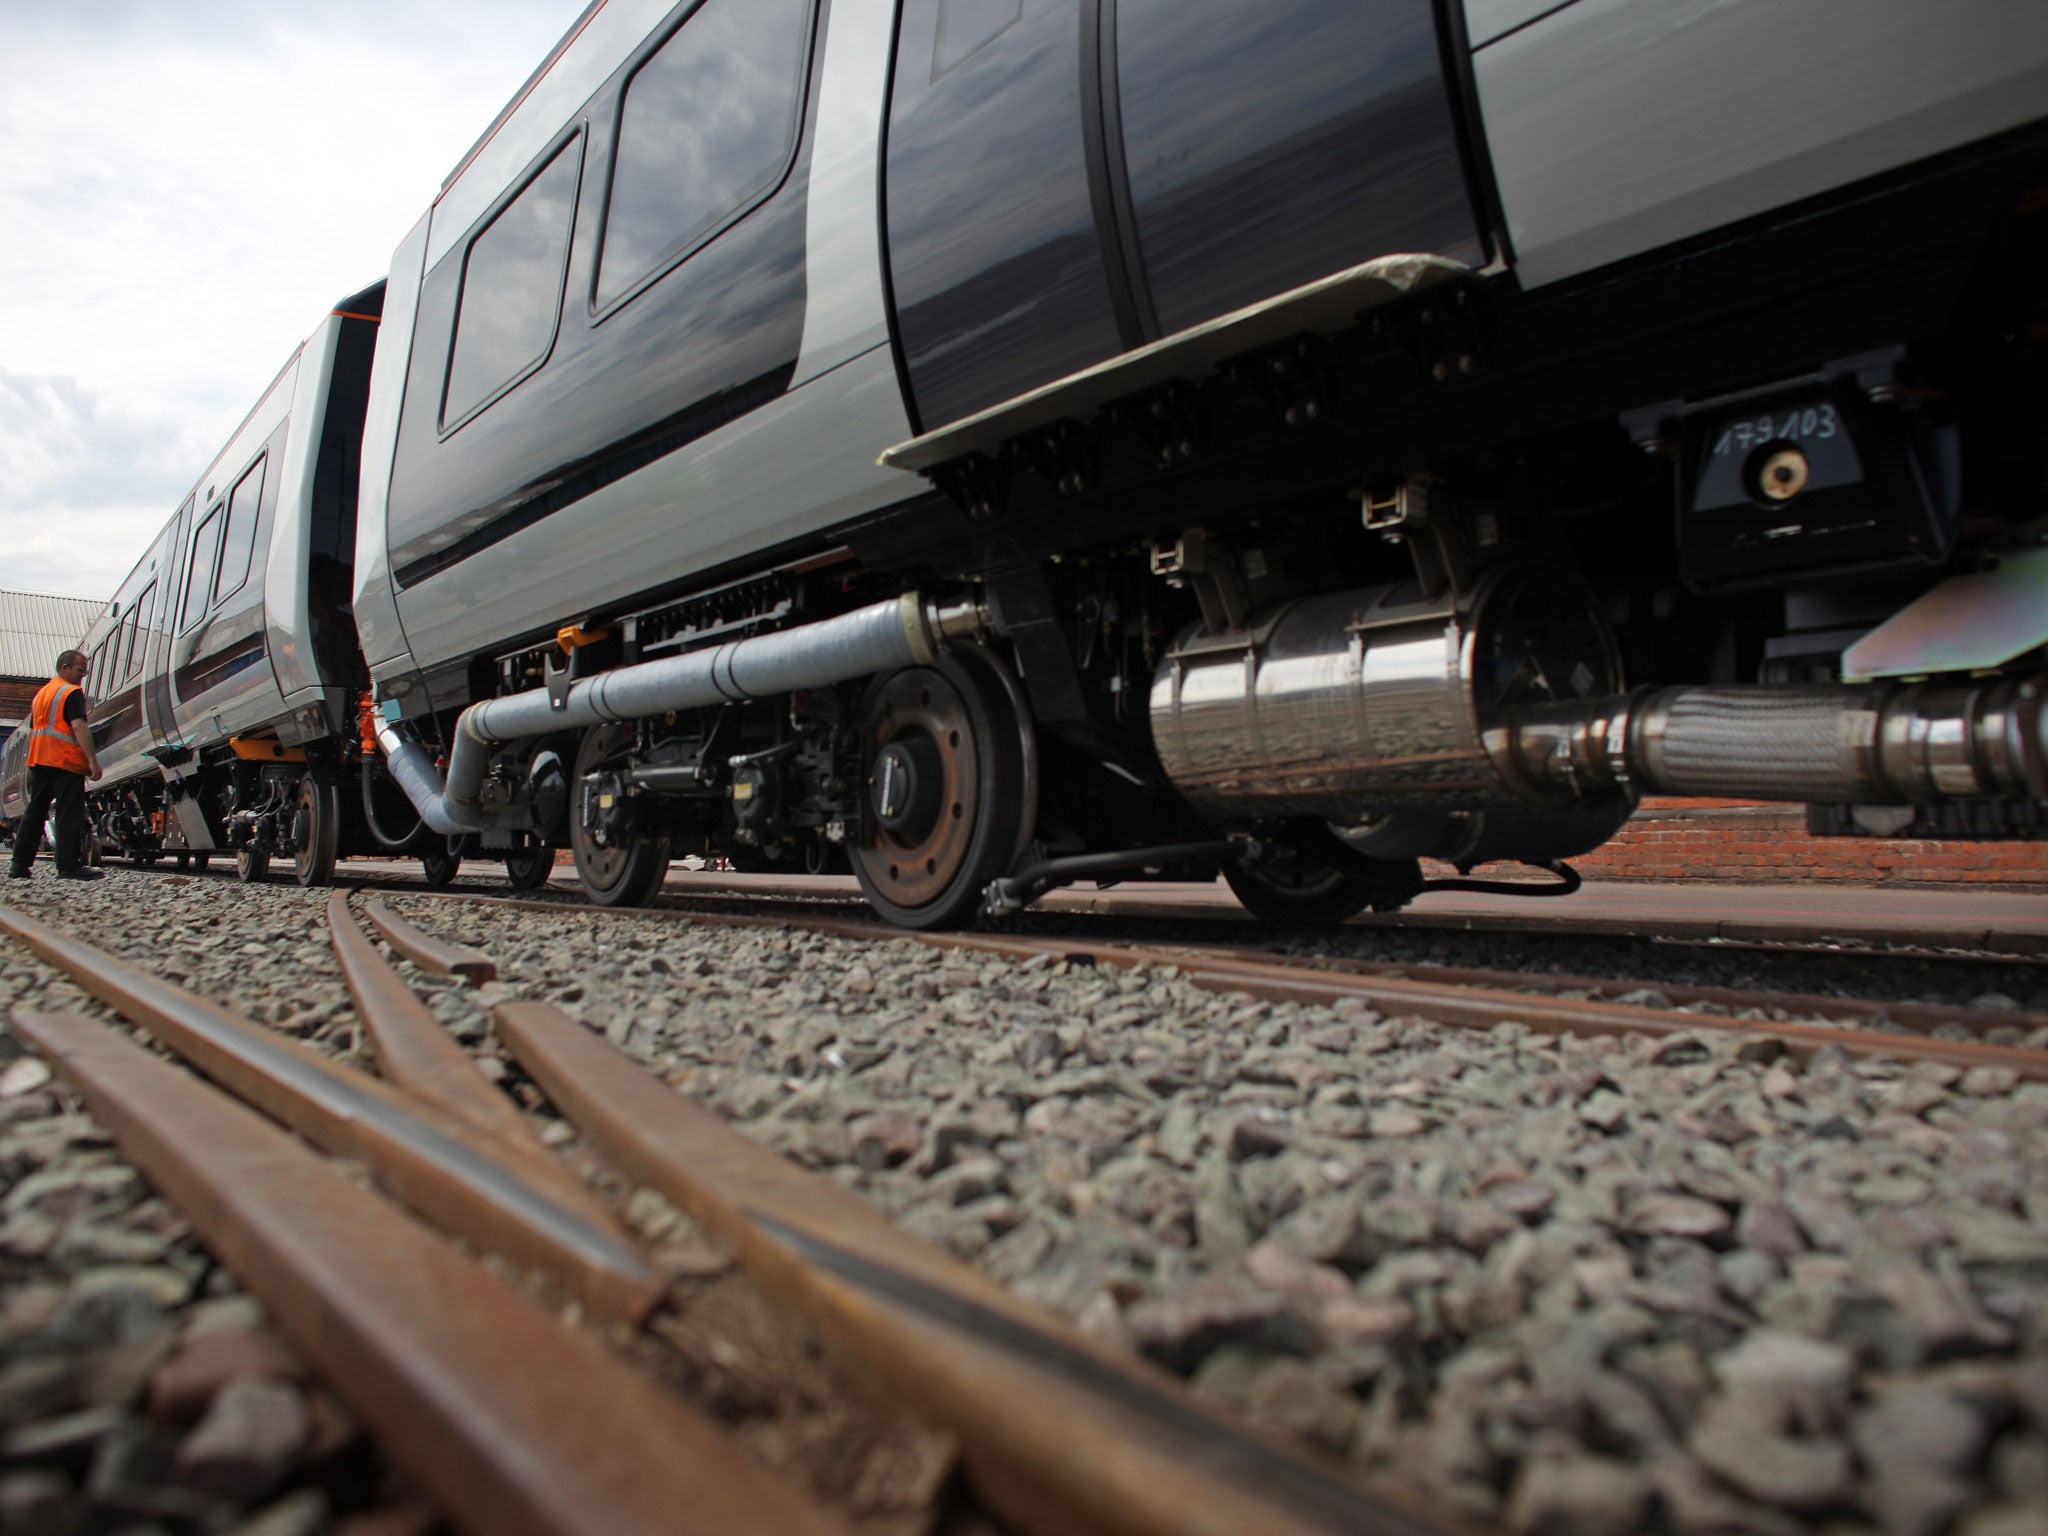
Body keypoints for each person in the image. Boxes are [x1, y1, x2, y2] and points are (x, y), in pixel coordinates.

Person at [8, 649, 103, 881]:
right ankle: (68, 866)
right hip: (65, 760)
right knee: (68, 813)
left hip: (40, 760)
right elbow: (79, 726)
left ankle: (19, 865)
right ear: (65, 668)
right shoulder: (71, 692)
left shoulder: (43, 693)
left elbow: (34, 730)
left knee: (35, 813)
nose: (83, 676)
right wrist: (92, 761)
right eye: (81, 671)